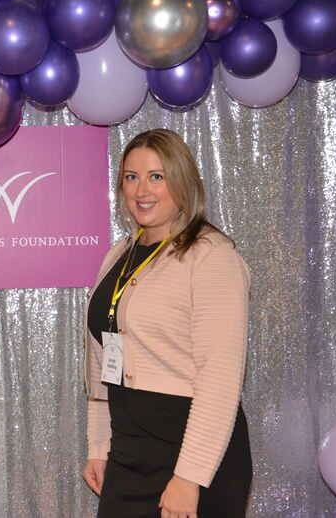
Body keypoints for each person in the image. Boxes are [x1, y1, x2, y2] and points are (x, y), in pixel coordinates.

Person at [82, 129, 252, 518]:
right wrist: (98, 444)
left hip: (191, 451)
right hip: (128, 450)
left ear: (182, 181)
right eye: (131, 176)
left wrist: (190, 477)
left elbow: (220, 379)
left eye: (157, 176)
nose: (142, 190)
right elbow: (103, 358)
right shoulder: (119, 254)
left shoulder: (212, 257)